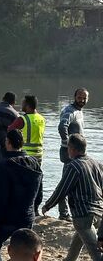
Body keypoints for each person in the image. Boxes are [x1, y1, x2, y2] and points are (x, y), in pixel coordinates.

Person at [42, 134, 103, 261]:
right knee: (78, 241)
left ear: (72, 149)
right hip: (98, 213)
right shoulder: (96, 164)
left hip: (83, 215)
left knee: (96, 253)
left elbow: (62, 190)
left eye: (68, 147)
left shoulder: (74, 166)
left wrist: (48, 205)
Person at [0, 130, 43, 261]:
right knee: (26, 252)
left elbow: (0, 197)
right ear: (22, 144)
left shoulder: (5, 164)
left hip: (7, 218)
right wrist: (34, 210)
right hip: (26, 216)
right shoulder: (34, 163)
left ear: (8, 142)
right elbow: (39, 194)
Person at [57, 88, 89, 220]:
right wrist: (68, 145)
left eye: (84, 98)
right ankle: (64, 214)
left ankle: (70, 212)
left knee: (73, 182)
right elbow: (62, 126)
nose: (81, 100)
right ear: (74, 97)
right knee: (66, 183)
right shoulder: (69, 111)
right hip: (70, 153)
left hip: (77, 153)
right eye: (79, 97)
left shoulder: (79, 112)